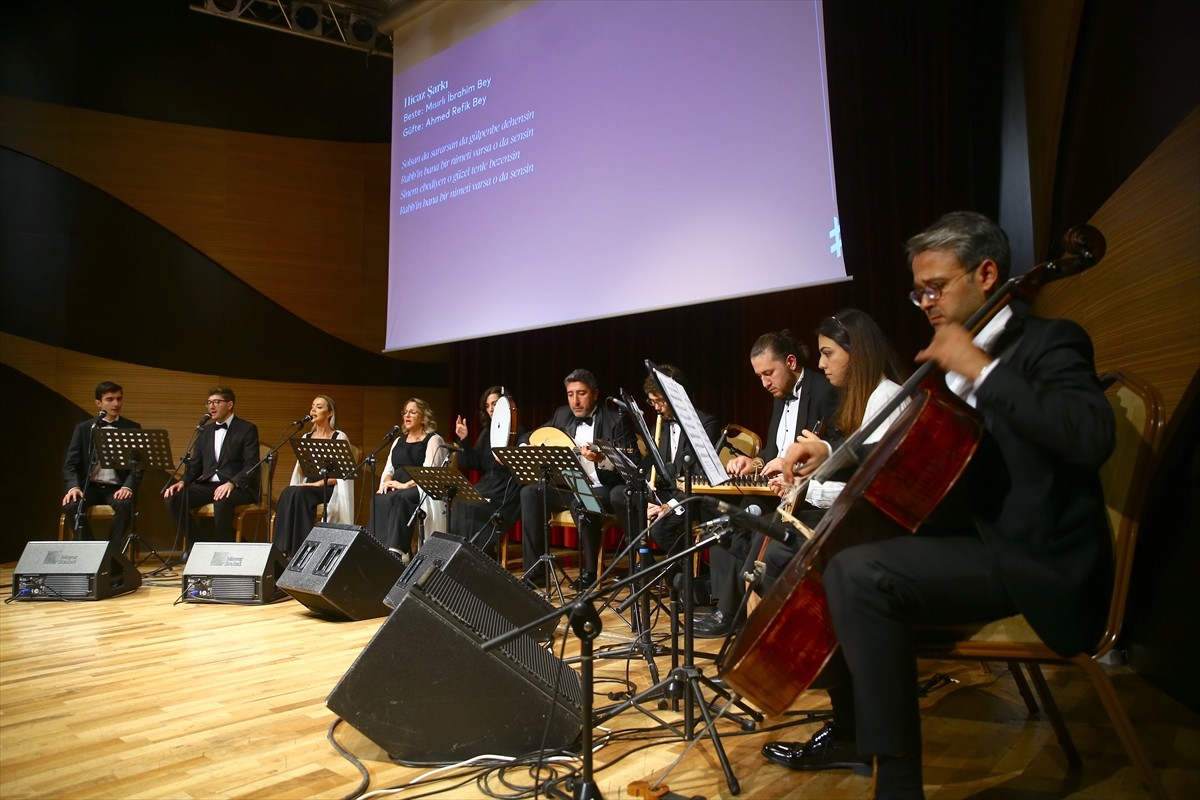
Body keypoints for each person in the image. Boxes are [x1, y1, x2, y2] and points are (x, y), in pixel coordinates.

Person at [759, 212, 1115, 800]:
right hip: (977, 543)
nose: (924, 301)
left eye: (936, 286)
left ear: (987, 273)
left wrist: (979, 367)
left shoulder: (1049, 341)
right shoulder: (939, 375)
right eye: (917, 290)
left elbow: (1090, 436)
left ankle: (896, 785)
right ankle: (857, 737)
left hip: (1038, 556)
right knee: (834, 562)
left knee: (857, 574)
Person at [754, 309, 911, 591]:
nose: (821, 363)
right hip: (859, 517)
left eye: (828, 353)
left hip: (876, 530)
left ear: (857, 352)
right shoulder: (869, 398)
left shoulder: (886, 396)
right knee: (769, 539)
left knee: (778, 548)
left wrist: (804, 489)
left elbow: (874, 488)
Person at [697, 330, 839, 637]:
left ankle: (738, 614)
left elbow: (833, 452)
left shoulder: (825, 391)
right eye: (759, 376)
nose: (764, 383)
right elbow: (773, 452)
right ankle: (727, 608)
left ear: (790, 362)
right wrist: (755, 462)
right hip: (774, 491)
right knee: (725, 518)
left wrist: (791, 467)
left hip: (804, 494)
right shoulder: (779, 397)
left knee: (749, 522)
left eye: (768, 373)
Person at [518, 368, 635, 591]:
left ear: (595, 393)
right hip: (569, 485)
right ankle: (536, 572)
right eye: (570, 394)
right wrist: (525, 445)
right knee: (530, 492)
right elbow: (530, 435)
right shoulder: (561, 415)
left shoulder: (615, 420)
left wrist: (603, 459)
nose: (575, 401)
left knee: (581, 499)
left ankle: (590, 572)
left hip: (604, 488)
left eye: (581, 393)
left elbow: (633, 461)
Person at [609, 365, 721, 557]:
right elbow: (650, 465)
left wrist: (671, 505)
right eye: (652, 402)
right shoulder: (659, 426)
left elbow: (700, 477)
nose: (657, 408)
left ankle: (685, 572)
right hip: (663, 492)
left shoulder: (705, 424)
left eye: (660, 401)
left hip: (689, 497)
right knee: (619, 494)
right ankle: (644, 563)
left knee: (660, 530)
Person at [163, 387, 261, 550]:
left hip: (238, 486)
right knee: (173, 498)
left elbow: (252, 464)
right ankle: (200, 547)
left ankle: (222, 551)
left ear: (229, 404)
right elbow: (196, 464)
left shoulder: (246, 428)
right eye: (208, 403)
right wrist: (183, 481)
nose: (211, 407)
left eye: (216, 402)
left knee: (221, 499)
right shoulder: (205, 431)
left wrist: (232, 483)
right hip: (209, 485)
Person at [61, 381, 142, 547]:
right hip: (88, 487)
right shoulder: (84, 429)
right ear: (98, 403)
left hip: (116, 488)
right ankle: (89, 550)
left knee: (125, 505)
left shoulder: (132, 428)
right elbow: (70, 464)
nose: (116, 404)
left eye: (119, 399)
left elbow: (139, 466)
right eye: (110, 399)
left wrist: (127, 487)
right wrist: (73, 486)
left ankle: (110, 552)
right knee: (71, 506)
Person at [272, 395, 355, 557]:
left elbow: (343, 474)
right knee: (289, 492)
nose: (313, 410)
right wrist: (303, 460)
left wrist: (317, 485)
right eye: (312, 406)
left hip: (328, 487)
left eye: (319, 407)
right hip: (308, 485)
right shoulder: (306, 437)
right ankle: (281, 548)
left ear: (330, 413)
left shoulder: (339, 436)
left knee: (300, 494)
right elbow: (302, 473)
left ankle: (300, 551)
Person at [452, 387, 525, 559]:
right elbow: (472, 462)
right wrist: (464, 441)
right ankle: (461, 553)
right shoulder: (487, 432)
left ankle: (482, 554)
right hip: (488, 483)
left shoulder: (518, 431)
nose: (491, 408)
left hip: (507, 486)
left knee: (477, 504)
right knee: (462, 500)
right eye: (488, 405)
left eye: (495, 404)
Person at [371, 398, 447, 558]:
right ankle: (377, 547)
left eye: (413, 412)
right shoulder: (398, 440)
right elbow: (388, 469)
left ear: (423, 416)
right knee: (378, 499)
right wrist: (386, 483)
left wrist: (404, 485)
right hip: (397, 485)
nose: (407, 415)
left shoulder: (433, 439)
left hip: (418, 488)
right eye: (405, 412)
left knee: (401, 499)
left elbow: (430, 473)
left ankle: (395, 551)